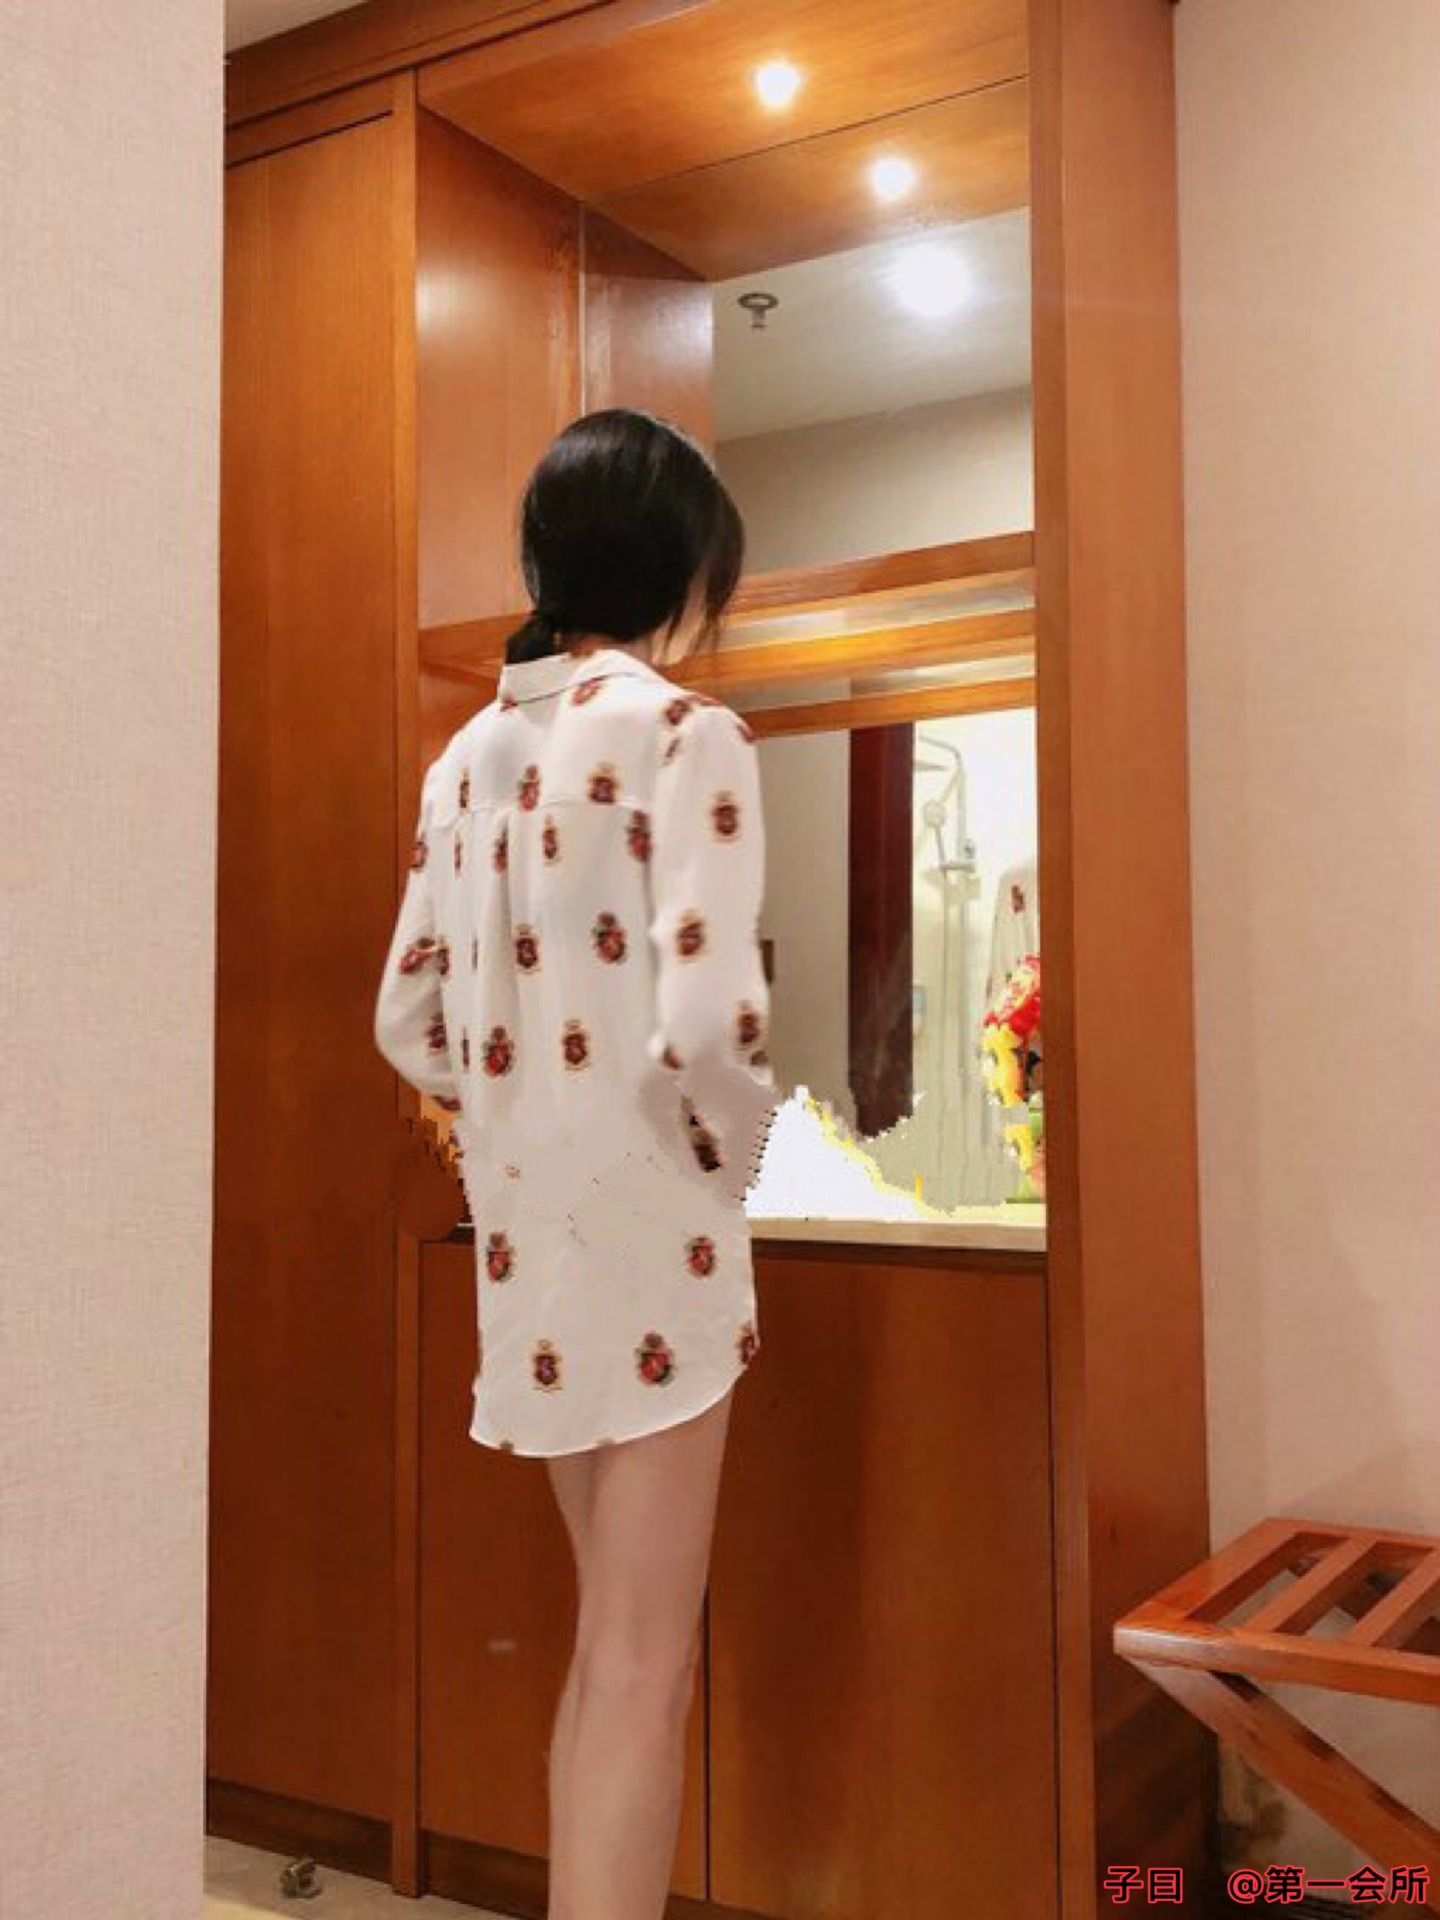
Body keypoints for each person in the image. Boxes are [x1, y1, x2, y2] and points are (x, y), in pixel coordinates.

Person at [373, 407, 782, 1919]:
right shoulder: (686, 732)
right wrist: (737, 1168)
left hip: (526, 1241)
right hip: (655, 1239)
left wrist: (517, 1118)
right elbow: (712, 1026)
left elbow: (403, 1015)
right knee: (640, 1662)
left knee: (610, 1643)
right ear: (682, 573)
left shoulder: (464, 759)